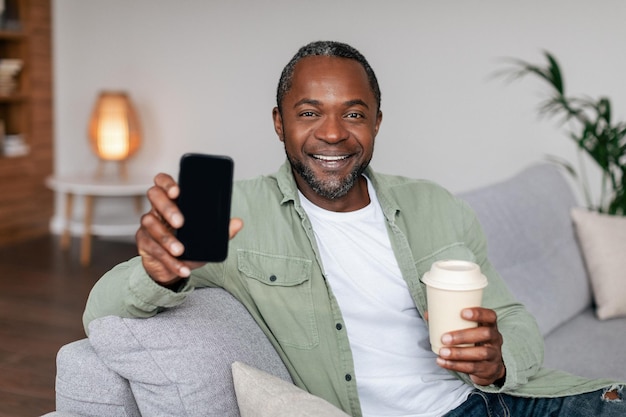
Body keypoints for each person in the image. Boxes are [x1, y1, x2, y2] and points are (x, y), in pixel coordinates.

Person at [84, 41, 624, 416]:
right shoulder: (237, 216)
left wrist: (500, 355)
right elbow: (102, 313)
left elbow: (510, 315)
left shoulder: (434, 204)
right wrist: (158, 272)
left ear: (377, 122)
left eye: (355, 114)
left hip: (520, 400)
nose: (334, 134)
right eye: (310, 113)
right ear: (279, 122)